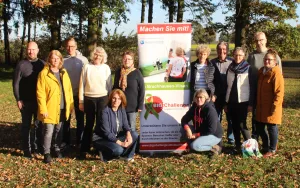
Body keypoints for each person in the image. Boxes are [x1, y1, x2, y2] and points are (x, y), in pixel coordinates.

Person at [36, 50, 74, 164]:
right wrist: (43, 109)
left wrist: (71, 106)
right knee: (49, 131)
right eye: (53, 58)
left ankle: (56, 149)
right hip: (50, 108)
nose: (56, 60)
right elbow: (40, 93)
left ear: (61, 60)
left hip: (62, 107)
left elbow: (69, 90)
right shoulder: (44, 73)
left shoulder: (64, 72)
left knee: (59, 130)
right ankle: (46, 153)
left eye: (58, 58)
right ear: (49, 60)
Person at [78, 46, 112, 159]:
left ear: (103, 57)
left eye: (100, 55)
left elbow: (109, 86)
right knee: (89, 124)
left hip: (103, 98)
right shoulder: (87, 67)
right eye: (96, 54)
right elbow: (81, 85)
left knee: (101, 124)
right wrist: (81, 101)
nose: (98, 57)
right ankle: (84, 148)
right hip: (89, 99)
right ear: (93, 55)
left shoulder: (106, 68)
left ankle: (99, 148)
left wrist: (110, 100)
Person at [247, 32, 282, 140]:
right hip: (255, 92)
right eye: (257, 40)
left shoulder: (273, 56)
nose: (259, 43)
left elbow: (279, 77)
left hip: (269, 93)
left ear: (266, 40)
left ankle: (271, 145)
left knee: (270, 120)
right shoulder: (252, 56)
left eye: (261, 40)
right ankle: (255, 142)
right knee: (256, 119)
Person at [13, 41, 45, 158]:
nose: (31, 52)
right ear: (27, 50)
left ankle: (37, 148)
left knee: (38, 126)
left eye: (33, 49)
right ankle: (26, 149)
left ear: (37, 50)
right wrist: (18, 99)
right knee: (26, 126)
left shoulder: (43, 64)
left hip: (39, 102)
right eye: (29, 49)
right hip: (25, 102)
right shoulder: (21, 64)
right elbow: (15, 83)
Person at [93, 89, 139, 162]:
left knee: (135, 134)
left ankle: (127, 156)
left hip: (114, 136)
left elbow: (126, 124)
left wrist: (128, 134)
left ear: (122, 100)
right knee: (118, 150)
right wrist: (121, 143)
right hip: (101, 139)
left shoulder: (121, 109)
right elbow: (106, 133)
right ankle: (104, 154)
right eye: (114, 98)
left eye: (119, 99)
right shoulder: (104, 111)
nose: (116, 101)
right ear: (111, 98)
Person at [255, 49, 284, 158]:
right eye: (265, 59)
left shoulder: (276, 73)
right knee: (260, 128)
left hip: (271, 106)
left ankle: (272, 149)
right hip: (261, 106)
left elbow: (279, 92)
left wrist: (275, 106)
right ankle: (266, 146)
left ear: (275, 62)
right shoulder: (262, 72)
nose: (267, 61)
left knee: (272, 128)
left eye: (269, 60)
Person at [224, 47, 253, 152]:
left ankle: (250, 146)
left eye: (240, 55)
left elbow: (252, 86)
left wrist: (250, 103)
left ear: (243, 56)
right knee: (234, 124)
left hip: (243, 101)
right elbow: (227, 85)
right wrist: (226, 103)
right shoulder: (230, 68)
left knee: (242, 124)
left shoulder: (248, 68)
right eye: (236, 55)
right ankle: (237, 146)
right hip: (231, 101)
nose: (237, 57)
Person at [62, 37, 88, 149]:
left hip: (80, 95)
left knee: (80, 119)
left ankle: (80, 142)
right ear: (65, 47)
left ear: (76, 46)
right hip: (66, 95)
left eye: (72, 46)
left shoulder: (83, 60)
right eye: (68, 46)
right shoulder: (62, 60)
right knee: (66, 119)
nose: (70, 48)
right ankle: (66, 142)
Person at [181, 89, 223, 156]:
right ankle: (192, 150)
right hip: (201, 132)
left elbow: (211, 130)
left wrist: (196, 135)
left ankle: (215, 147)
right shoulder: (194, 107)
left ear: (205, 98)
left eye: (201, 97)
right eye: (197, 97)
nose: (199, 99)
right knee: (183, 129)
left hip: (214, 134)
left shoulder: (210, 110)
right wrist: (187, 129)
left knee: (195, 145)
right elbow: (184, 120)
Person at [113, 51, 145, 131]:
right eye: (125, 59)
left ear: (133, 61)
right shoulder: (118, 72)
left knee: (131, 128)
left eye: (129, 59)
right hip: (119, 105)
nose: (127, 61)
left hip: (132, 106)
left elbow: (142, 89)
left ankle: (132, 143)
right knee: (120, 128)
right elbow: (115, 88)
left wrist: (140, 105)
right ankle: (121, 143)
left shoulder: (137, 72)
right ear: (122, 60)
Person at [211, 42, 234, 145]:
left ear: (227, 50)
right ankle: (216, 138)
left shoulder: (232, 62)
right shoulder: (212, 63)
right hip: (216, 96)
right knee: (216, 118)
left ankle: (231, 139)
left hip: (229, 95)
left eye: (224, 49)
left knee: (231, 119)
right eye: (219, 49)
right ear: (217, 50)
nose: (222, 51)